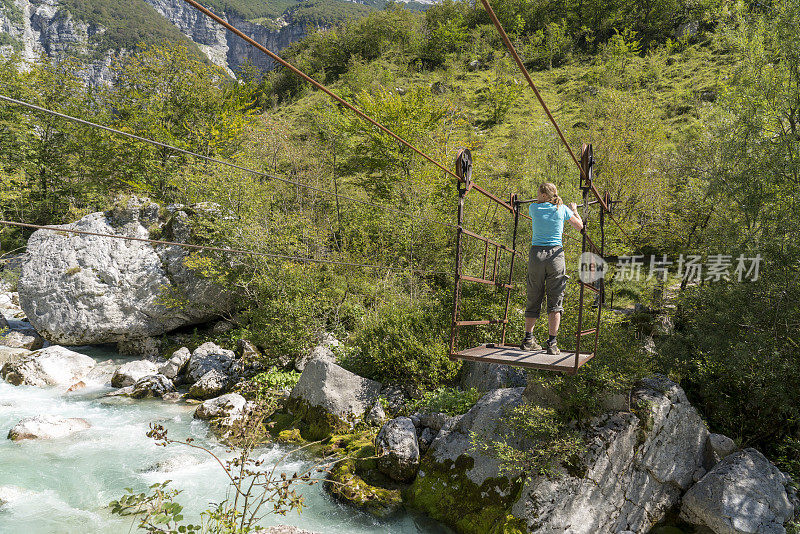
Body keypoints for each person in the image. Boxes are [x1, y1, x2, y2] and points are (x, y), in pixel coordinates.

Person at [520, 182, 583, 355]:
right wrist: (574, 210)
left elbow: (539, 206)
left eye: (538, 193)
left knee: (534, 295)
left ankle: (528, 339)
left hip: (536, 255)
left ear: (543, 195)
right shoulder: (562, 209)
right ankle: (552, 344)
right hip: (556, 256)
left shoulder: (533, 208)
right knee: (555, 299)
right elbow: (580, 227)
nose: (536, 195)